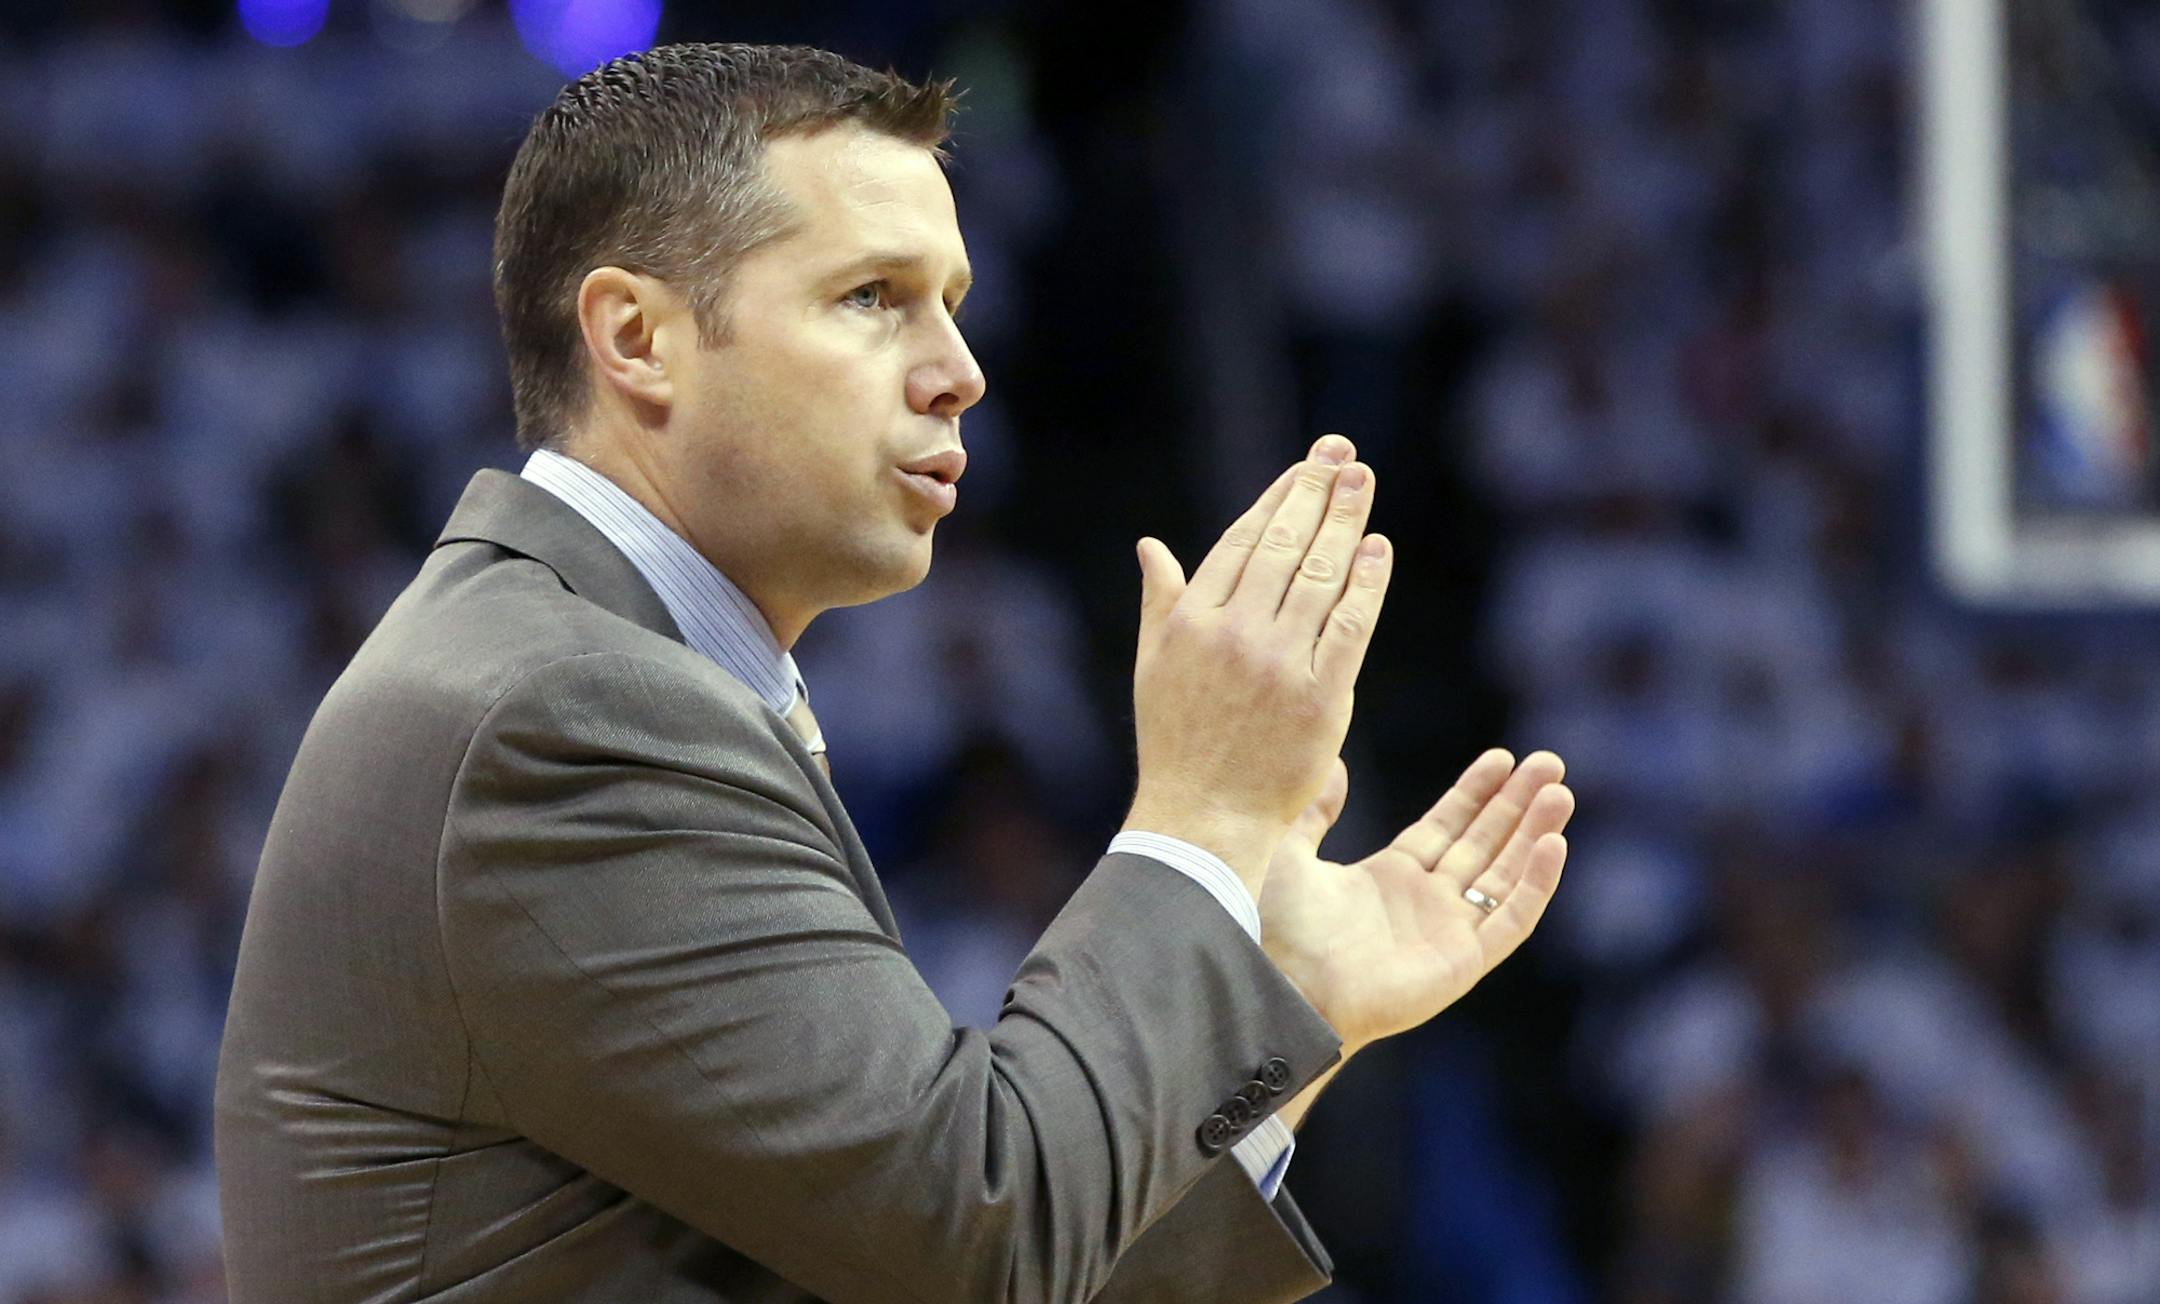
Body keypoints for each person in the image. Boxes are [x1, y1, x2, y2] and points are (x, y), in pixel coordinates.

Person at [213, 42, 1574, 1303]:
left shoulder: (596, 671)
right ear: (637, 340)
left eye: (957, 306)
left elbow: (950, 1258)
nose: (962, 373)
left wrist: (1289, 1007)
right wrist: (1201, 817)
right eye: (873, 298)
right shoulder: (559, 711)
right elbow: (979, 1237)